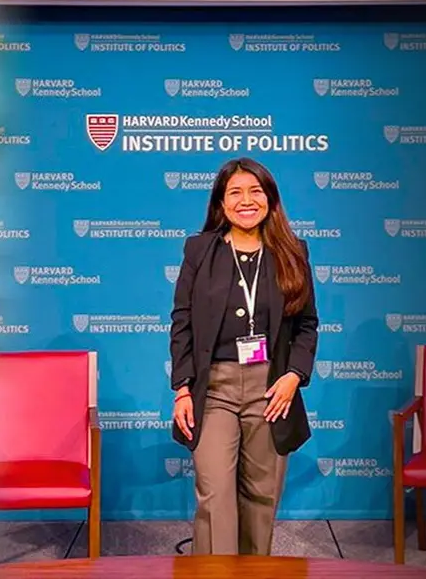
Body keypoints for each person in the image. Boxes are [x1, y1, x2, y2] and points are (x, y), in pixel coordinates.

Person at [168, 157, 319, 556]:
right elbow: (181, 320)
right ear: (221, 202)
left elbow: (307, 325)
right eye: (235, 192)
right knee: (215, 494)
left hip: (271, 389)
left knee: (261, 500)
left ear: (270, 198)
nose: (246, 200)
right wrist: (182, 389)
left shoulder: (293, 252)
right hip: (213, 387)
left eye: (255, 191)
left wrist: (293, 377)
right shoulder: (200, 250)